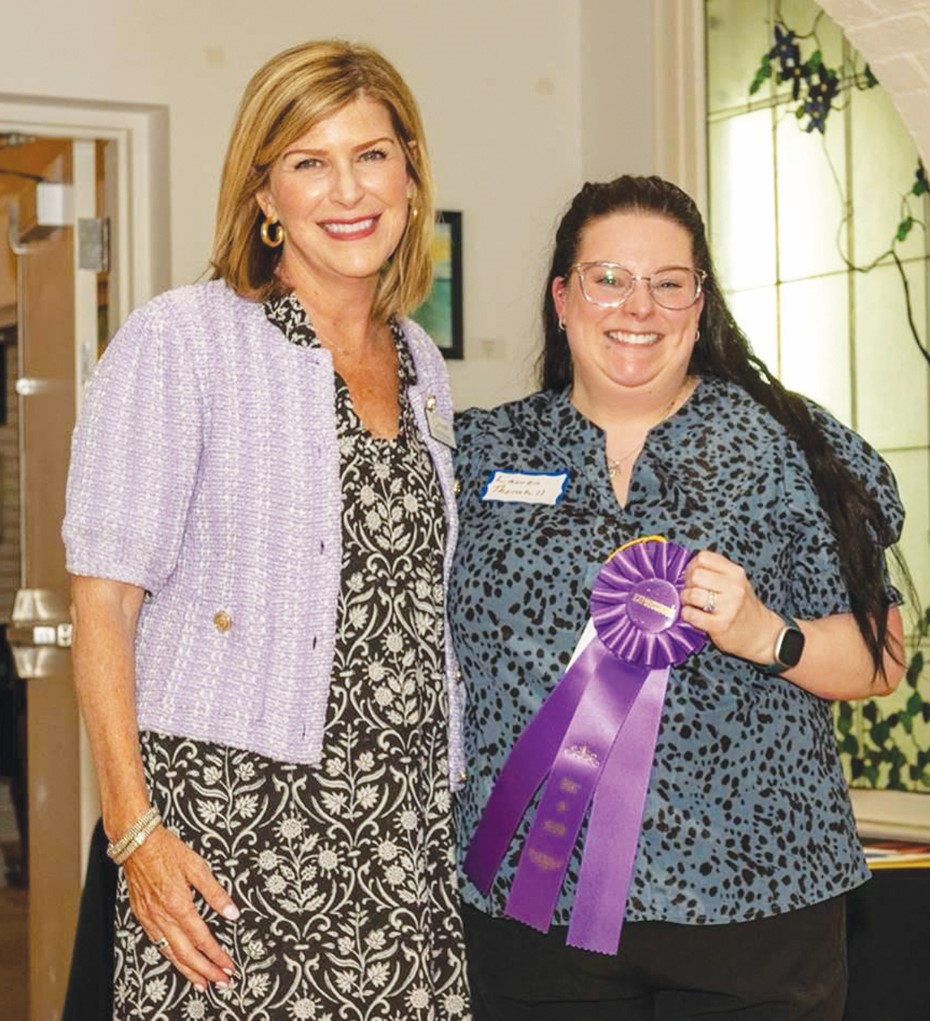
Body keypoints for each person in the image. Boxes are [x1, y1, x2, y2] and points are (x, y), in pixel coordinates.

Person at [63, 39, 470, 1020]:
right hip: (233, 827)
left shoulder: (420, 359)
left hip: (403, 832)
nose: (348, 188)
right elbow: (104, 601)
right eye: (309, 162)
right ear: (264, 195)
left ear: (411, 177)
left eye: (372, 155)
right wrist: (134, 832)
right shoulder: (181, 339)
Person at [449, 175, 906, 1020]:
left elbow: (884, 660)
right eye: (609, 277)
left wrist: (770, 634)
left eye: (669, 282)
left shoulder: (790, 445)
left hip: (759, 906)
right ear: (562, 295)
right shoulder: (476, 452)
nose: (640, 306)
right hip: (534, 902)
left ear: (700, 301)